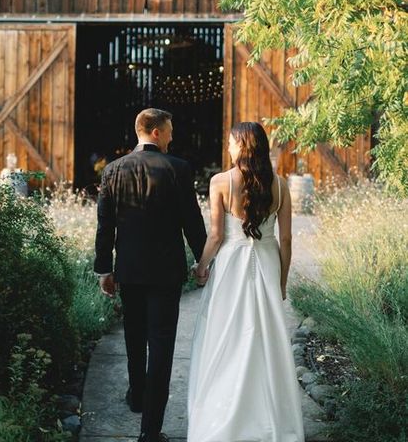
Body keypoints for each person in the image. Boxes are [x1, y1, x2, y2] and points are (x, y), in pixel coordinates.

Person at [94, 108, 207, 442]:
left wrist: (104, 269)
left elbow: (105, 227)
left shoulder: (113, 171)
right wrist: (204, 262)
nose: (172, 136)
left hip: (129, 270)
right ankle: (151, 430)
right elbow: (192, 222)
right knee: (161, 345)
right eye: (170, 130)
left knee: (134, 336)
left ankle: (137, 398)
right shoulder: (179, 169)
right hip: (165, 273)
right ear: (156, 132)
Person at [188, 121, 304, 442]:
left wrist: (201, 267)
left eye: (230, 142)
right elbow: (286, 240)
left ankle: (223, 418)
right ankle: (267, 419)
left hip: (230, 267)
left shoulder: (220, 181)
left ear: (243, 145)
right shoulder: (279, 186)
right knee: (265, 340)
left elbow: (215, 236)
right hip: (266, 264)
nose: (227, 147)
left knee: (226, 338)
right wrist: (280, 282)